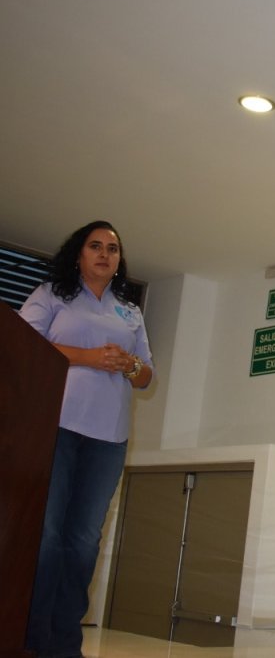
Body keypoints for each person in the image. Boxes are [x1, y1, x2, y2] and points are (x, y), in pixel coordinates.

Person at [20, 220, 154, 658]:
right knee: (47, 536)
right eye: (95, 246)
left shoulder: (129, 311)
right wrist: (88, 357)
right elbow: (21, 345)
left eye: (112, 249)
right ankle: (30, 639)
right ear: (78, 253)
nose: (104, 254)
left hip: (108, 438)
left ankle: (65, 645)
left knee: (83, 541)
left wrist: (129, 365)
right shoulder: (51, 295)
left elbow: (146, 376)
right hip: (53, 428)